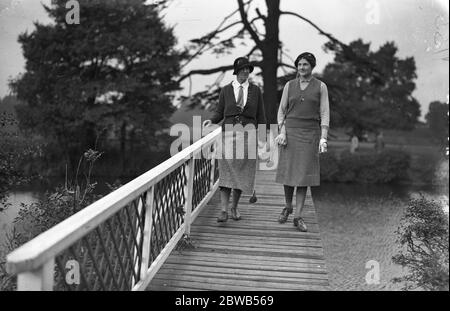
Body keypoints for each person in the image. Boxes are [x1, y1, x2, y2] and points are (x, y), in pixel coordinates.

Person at [203, 57, 266, 222]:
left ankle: (234, 208)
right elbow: (219, 111)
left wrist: (263, 138)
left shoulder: (255, 90)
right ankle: (223, 210)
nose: (246, 71)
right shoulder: (225, 90)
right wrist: (212, 120)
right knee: (226, 170)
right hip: (228, 133)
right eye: (243, 68)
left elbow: (261, 116)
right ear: (236, 71)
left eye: (248, 69)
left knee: (242, 171)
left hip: (248, 133)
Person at [274, 52, 329, 232]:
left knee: (304, 177)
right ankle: (288, 206)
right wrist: (282, 131)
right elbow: (281, 111)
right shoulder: (289, 86)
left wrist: (323, 137)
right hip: (290, 133)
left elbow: (324, 113)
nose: (301, 67)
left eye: (305, 64)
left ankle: (298, 216)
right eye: (299, 64)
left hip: (310, 135)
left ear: (312, 66)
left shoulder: (321, 87)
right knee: (289, 174)